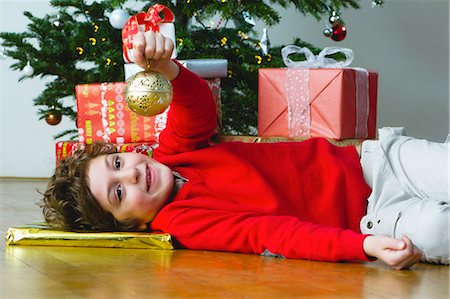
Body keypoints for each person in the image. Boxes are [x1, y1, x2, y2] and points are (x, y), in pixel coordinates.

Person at [41, 31, 449, 270]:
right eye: (118, 193)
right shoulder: (184, 224)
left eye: (117, 162)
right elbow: (273, 233)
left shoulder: (174, 153)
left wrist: (167, 70)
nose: (130, 173)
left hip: (375, 163)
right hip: (374, 222)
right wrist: (361, 247)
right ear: (131, 227)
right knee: (435, 230)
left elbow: (196, 108)